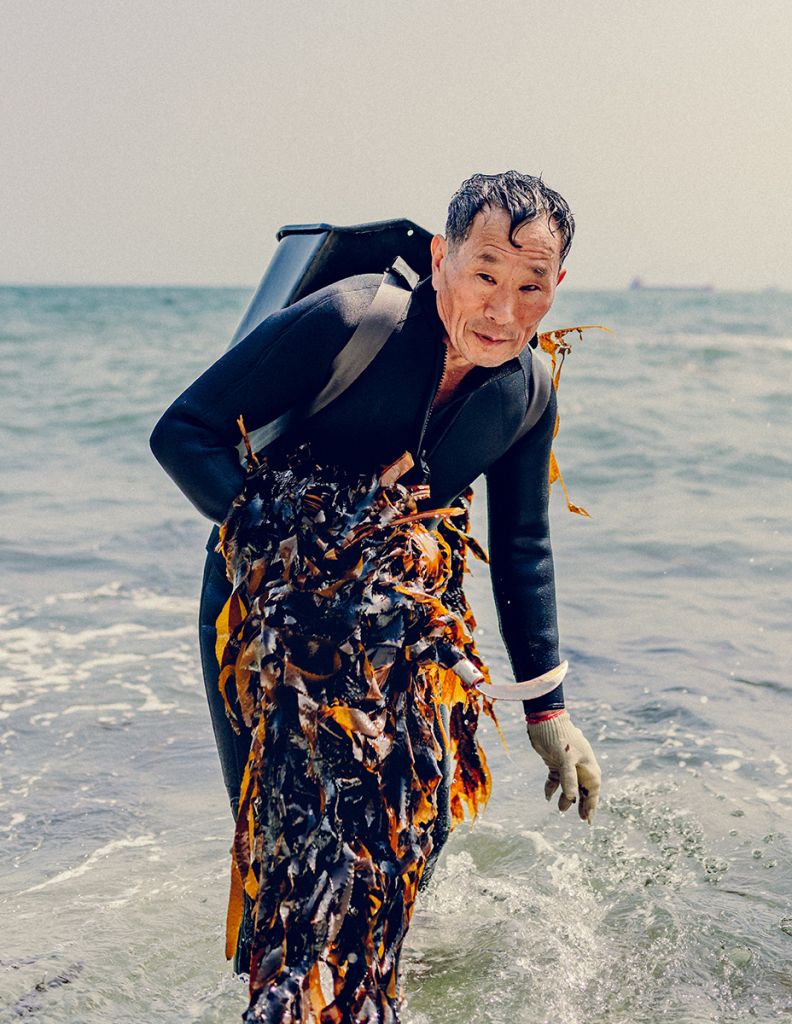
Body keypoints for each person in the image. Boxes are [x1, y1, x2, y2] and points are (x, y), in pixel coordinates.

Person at [151, 171, 601, 1020]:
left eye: (530, 285)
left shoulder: (527, 390)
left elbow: (522, 546)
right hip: (266, 619)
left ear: (556, 287)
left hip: (403, 629)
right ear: (440, 259)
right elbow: (184, 432)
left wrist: (550, 711)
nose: (504, 310)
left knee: (409, 835)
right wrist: (303, 548)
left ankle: (366, 992)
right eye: (485, 274)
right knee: (287, 843)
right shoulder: (353, 321)